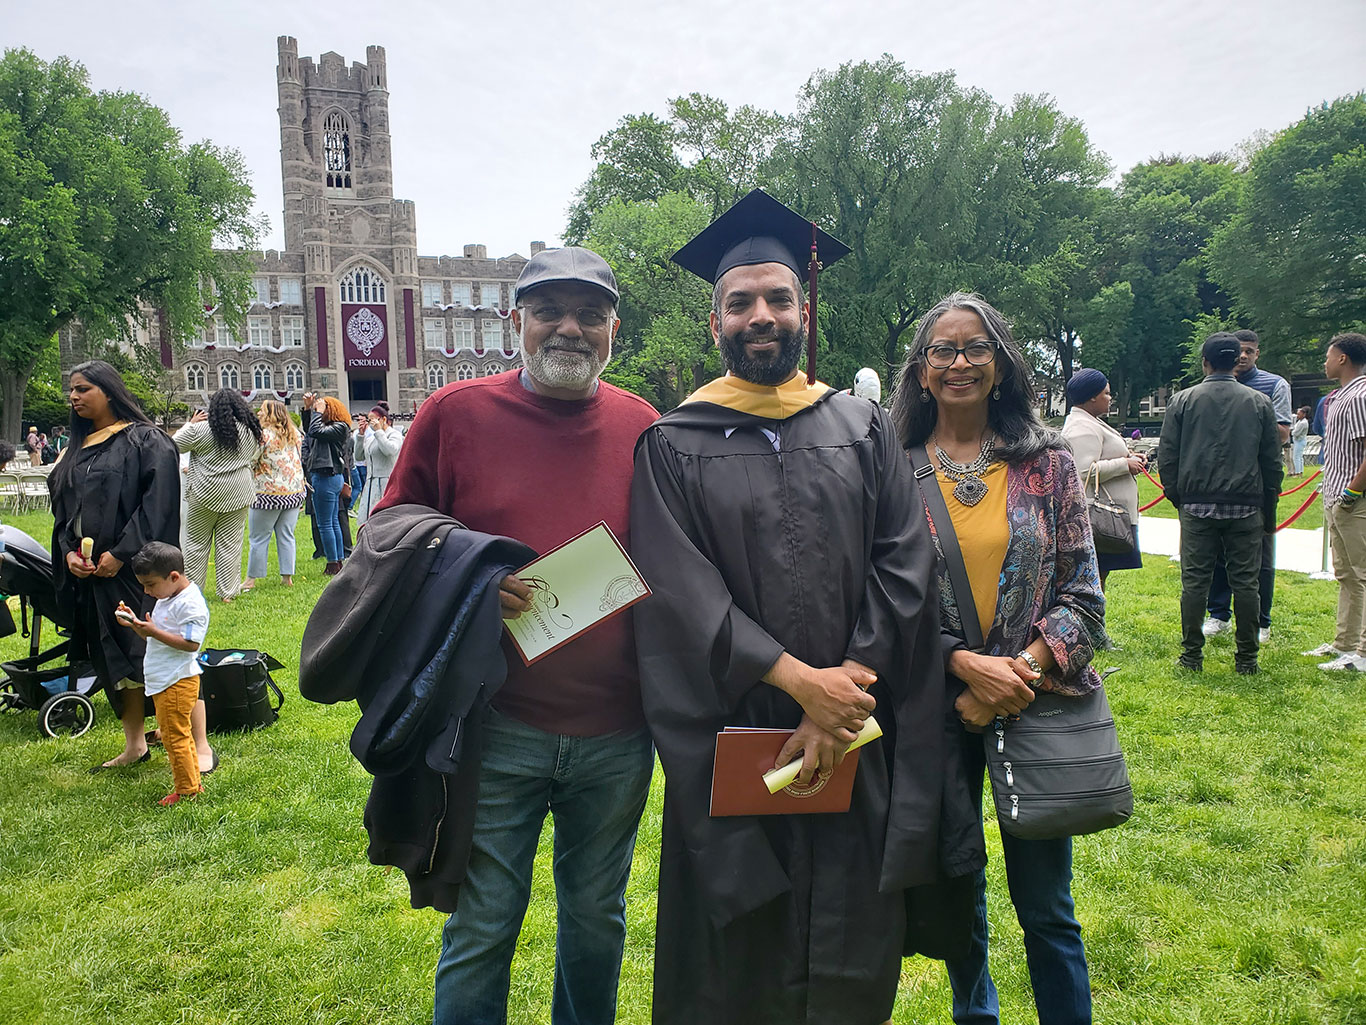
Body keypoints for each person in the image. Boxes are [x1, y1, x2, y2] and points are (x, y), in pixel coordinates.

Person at [631, 191, 970, 1024]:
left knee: (854, 939)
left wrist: (842, 692)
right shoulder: (672, 445)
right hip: (736, 729)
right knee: (735, 957)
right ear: (715, 322)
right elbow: (680, 593)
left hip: (856, 725)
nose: (761, 315)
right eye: (740, 301)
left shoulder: (860, 427)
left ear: (804, 309)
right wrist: (796, 683)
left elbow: (905, 557)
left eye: (778, 298)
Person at [373, 246, 659, 1025]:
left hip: (619, 733)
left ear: (612, 328)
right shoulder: (454, 414)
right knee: (484, 923)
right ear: (518, 322)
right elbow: (390, 531)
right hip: (499, 724)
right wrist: (468, 573)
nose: (569, 328)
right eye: (549, 312)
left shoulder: (646, 429)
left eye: (589, 314)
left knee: (598, 922)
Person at [890, 292, 1106, 1025]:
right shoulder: (888, 468)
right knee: (958, 891)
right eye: (942, 350)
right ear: (920, 371)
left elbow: (1083, 594)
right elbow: (878, 602)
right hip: (936, 707)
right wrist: (963, 668)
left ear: (1002, 362)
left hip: (1033, 705)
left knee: (1048, 905)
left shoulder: (1048, 464)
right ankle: (974, 1013)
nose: (958, 362)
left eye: (975, 347)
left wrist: (1020, 674)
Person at [47, 360, 182, 771]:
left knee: (152, 652)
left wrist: (121, 554)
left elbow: (157, 505)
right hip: (89, 572)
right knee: (111, 657)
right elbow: (66, 510)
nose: (74, 397)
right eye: (72, 390)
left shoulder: (146, 441)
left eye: (83, 388)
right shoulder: (78, 446)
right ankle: (135, 743)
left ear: (108, 390)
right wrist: (69, 551)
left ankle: (194, 741)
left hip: (135, 572)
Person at [1158, 333, 1282, 674]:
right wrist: (1268, 502)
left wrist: (1177, 496)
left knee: (1195, 583)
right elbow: (1271, 461)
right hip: (1246, 505)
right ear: (1236, 362)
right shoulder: (1259, 402)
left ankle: (1191, 656)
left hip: (1197, 504)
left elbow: (1168, 456)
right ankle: (1247, 659)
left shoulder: (1182, 401)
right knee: (1247, 584)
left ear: (1205, 362)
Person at [1203, 329, 1291, 644]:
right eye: (1239, 350)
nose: (1243, 356)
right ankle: (1218, 614)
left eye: (1249, 351)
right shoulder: (1209, 387)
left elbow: (1282, 433)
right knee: (1215, 555)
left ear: (1257, 353)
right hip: (1215, 482)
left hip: (1256, 483)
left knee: (1261, 557)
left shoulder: (1273, 385)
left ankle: (1261, 621)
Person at [119, 541, 210, 806]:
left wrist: (153, 631)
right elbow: (156, 636)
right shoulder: (168, 596)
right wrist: (136, 623)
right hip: (164, 679)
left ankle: (187, 790)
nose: (146, 591)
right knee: (176, 733)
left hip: (177, 680)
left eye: (150, 584)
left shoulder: (190, 604)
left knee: (174, 736)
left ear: (173, 576)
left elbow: (191, 644)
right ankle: (192, 783)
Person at [1304, 333, 1366, 671]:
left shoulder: (1359, 397)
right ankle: (1345, 643)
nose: (1325, 362)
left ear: (1342, 358)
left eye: (1329, 356)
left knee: (1363, 573)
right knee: (1346, 575)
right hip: (1336, 496)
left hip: (1354, 500)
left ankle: (1363, 654)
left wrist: (1352, 493)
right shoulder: (1340, 397)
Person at [173, 389, 262, 602]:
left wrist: (190, 424)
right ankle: (228, 593)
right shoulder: (250, 431)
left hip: (204, 493)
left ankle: (193, 591)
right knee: (231, 545)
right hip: (238, 493)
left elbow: (172, 444)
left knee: (195, 544)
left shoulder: (200, 430)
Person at [1061, 368, 1144, 589]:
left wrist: (1130, 458)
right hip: (1098, 517)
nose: (1110, 398)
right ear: (1092, 397)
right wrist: (1124, 464)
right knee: (1093, 580)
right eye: (1106, 393)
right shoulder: (1081, 427)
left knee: (1099, 578)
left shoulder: (1090, 421)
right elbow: (1082, 471)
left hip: (1107, 515)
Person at [244, 399, 305, 590]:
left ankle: (251, 579)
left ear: (270, 415)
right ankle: (287, 578)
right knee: (286, 535)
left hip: (267, 493)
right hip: (293, 491)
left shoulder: (263, 436)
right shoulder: (295, 434)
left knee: (258, 537)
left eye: (262, 411)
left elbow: (251, 460)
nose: (259, 414)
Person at [302, 395, 351, 576]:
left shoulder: (339, 427)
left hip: (326, 476)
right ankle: (337, 559)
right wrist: (308, 410)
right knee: (332, 521)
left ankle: (332, 563)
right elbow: (310, 431)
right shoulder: (333, 428)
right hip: (330, 477)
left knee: (325, 524)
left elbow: (315, 431)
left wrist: (318, 412)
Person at [352, 401, 402, 526]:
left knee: (387, 520)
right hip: (371, 482)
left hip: (388, 481)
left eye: (374, 420)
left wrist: (379, 432)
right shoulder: (371, 438)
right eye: (369, 421)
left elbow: (390, 451)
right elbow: (358, 456)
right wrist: (361, 436)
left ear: (383, 419)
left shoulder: (394, 434)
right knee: (369, 519)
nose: (371, 423)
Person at [350, 413, 368, 513]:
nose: (360, 422)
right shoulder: (356, 432)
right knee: (358, 486)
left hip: (365, 464)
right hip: (357, 463)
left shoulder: (370, 432)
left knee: (364, 486)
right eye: (358, 420)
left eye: (362, 420)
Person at [1289, 406, 1310, 476]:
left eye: (1299, 414)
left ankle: (1298, 472)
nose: (1297, 416)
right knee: (1299, 457)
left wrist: (1292, 432)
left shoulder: (1303, 423)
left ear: (1304, 414)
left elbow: (1296, 433)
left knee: (1296, 457)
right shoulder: (1300, 422)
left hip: (1299, 441)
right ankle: (1300, 471)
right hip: (1298, 441)